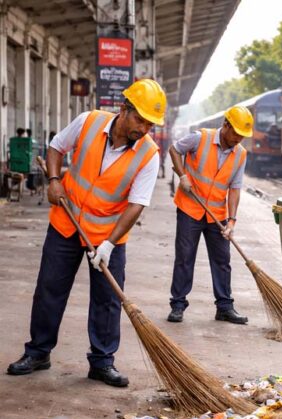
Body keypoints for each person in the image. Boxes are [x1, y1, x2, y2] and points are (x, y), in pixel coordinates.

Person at [6, 79, 167, 387]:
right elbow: (56, 146)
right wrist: (54, 180)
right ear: (123, 110)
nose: (144, 129)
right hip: (66, 223)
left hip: (109, 235)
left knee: (107, 299)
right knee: (49, 289)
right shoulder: (89, 122)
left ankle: (102, 362)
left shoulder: (149, 155)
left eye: (150, 124)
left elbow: (136, 205)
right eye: (140, 119)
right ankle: (39, 351)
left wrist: (108, 244)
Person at [167, 105, 253, 324]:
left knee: (222, 260)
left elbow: (235, 188)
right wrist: (182, 175)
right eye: (235, 133)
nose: (238, 139)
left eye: (242, 136)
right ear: (225, 125)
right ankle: (178, 305)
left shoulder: (240, 154)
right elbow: (174, 150)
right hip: (190, 208)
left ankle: (224, 307)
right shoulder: (199, 139)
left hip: (217, 213)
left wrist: (232, 220)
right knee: (185, 257)